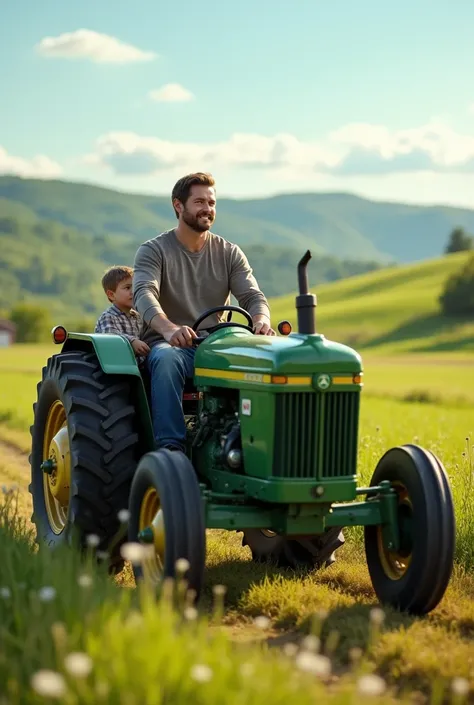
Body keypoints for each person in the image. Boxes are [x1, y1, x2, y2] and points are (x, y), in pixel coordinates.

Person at [133, 172, 275, 452]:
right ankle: (171, 450)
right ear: (178, 206)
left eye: (211, 202)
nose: (207, 209)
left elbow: (251, 295)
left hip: (216, 344)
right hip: (169, 344)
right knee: (166, 358)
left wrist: (261, 320)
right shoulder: (154, 251)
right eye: (199, 202)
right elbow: (144, 293)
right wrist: (169, 328)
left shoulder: (229, 252)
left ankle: (257, 447)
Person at [95, 265, 150, 362]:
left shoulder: (137, 316)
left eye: (135, 286)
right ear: (111, 295)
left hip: (139, 365)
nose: (133, 291)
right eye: (128, 287)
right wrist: (132, 341)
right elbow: (110, 337)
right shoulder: (108, 316)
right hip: (117, 365)